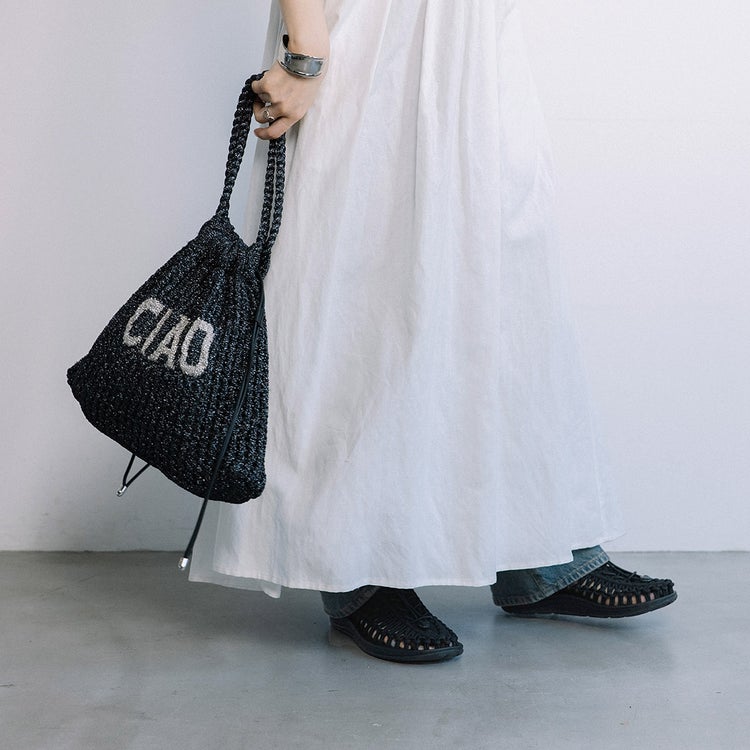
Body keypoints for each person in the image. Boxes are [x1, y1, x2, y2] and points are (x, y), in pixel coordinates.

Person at [188, 0, 676, 663]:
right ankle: (357, 565)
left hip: (474, 35)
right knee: (364, 285)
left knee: (505, 286)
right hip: (371, 33)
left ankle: (539, 548)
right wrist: (305, 47)